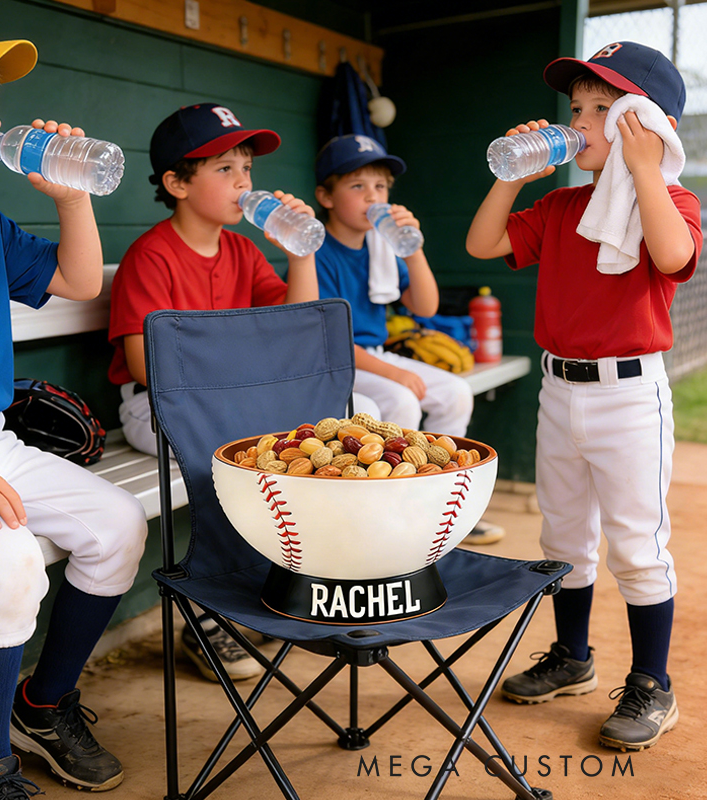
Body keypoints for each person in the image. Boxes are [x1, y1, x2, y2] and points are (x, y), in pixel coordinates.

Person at [0, 11, 148, 799]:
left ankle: (41, 705)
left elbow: (76, 281)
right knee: (7, 566)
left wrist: (72, 197)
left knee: (118, 525)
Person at [466, 41, 702, 751]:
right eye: (577, 108)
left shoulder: (672, 200)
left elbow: (674, 255)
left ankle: (653, 684)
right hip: (559, 389)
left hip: (629, 397)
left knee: (637, 544)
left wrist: (645, 168)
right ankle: (573, 658)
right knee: (563, 537)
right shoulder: (564, 203)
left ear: (646, 122)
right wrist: (511, 176)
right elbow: (482, 244)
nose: (580, 123)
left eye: (604, 108)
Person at [108, 102, 346, 682]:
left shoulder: (243, 250)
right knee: (226, 458)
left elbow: (297, 329)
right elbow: (146, 365)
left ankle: (275, 586)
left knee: (306, 448)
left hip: (233, 403)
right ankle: (205, 614)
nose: (244, 182)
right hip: (156, 406)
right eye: (224, 169)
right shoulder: (152, 254)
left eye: (247, 169)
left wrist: (301, 255)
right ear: (177, 183)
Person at [313, 133, 504, 545]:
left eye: (381, 186)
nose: (373, 196)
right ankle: (393, 517)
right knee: (401, 399)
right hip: (336, 363)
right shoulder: (318, 252)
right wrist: (394, 373)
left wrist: (412, 249)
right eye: (357, 186)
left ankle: (443, 506)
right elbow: (327, 342)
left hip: (375, 355)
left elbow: (426, 307)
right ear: (325, 197)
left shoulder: (380, 246)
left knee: (455, 393)